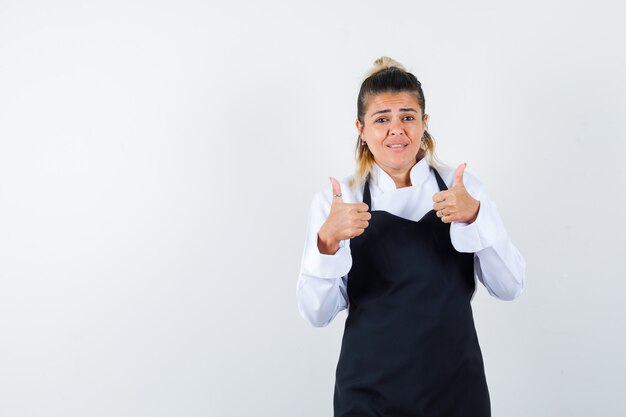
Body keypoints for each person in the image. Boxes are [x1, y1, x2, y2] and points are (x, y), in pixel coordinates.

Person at [296, 56, 525, 417]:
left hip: (455, 390)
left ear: (424, 123)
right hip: (368, 395)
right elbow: (316, 314)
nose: (396, 130)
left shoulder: (462, 189)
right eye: (382, 119)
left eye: (407, 116)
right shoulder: (338, 200)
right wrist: (326, 243)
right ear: (361, 128)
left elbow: (509, 287)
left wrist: (477, 218)